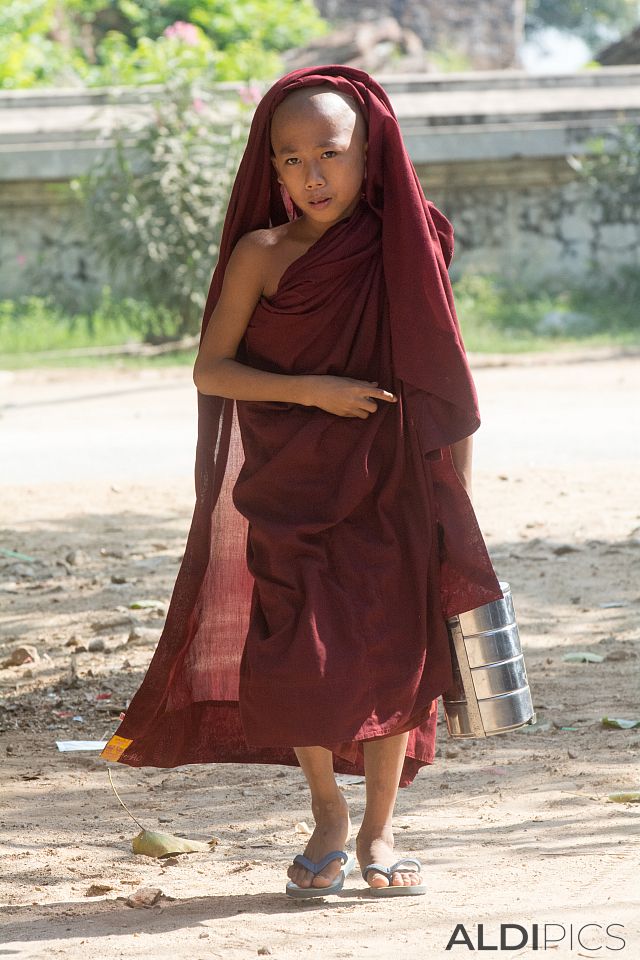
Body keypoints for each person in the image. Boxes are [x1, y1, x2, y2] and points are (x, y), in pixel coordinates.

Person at [101, 65, 502, 899]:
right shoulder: (263, 253)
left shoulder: (407, 244)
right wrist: (312, 390)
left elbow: (441, 376)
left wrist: (454, 505)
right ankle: (327, 811)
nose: (312, 176)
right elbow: (213, 370)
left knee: (396, 654)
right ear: (269, 166)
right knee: (300, 658)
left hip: (393, 485)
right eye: (290, 159)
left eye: (331, 153)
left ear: (372, 154)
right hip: (291, 491)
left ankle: (380, 830)